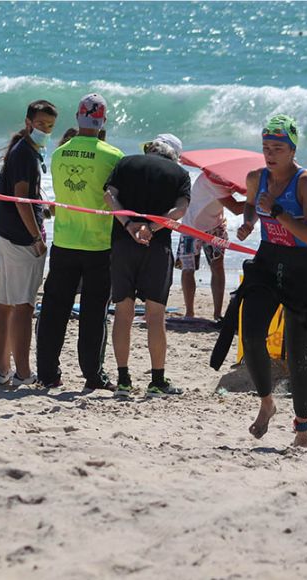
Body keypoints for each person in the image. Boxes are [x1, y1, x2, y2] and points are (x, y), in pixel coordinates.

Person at [224, 114, 307, 448]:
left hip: (299, 267)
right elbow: (252, 207)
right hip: (267, 261)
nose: (270, 153)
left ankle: (302, 430)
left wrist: (280, 213)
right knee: (250, 334)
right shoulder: (256, 177)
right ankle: (267, 401)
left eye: (278, 147)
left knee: (297, 353)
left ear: (292, 149)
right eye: (266, 147)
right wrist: (249, 223)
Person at [36, 93, 124, 391]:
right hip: (98, 244)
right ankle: (92, 374)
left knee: (54, 310)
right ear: (103, 121)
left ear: (78, 117)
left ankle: (47, 373)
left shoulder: (60, 153)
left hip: (65, 240)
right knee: (93, 313)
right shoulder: (114, 156)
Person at [104, 133, 191, 397]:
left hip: (123, 242)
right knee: (155, 316)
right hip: (156, 246)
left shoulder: (126, 163)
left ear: (149, 149)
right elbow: (179, 211)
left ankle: (123, 380)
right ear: (173, 155)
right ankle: (157, 381)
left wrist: (130, 225)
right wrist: (151, 228)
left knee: (123, 313)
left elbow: (110, 197)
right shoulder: (179, 174)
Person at [0, 100, 58, 387]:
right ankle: (22, 371)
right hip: (19, 237)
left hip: (7, 232)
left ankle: (1, 369)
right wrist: (36, 238)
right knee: (23, 305)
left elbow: (26, 198)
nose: (45, 130)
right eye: (41, 124)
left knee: (6, 302)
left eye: (50, 126)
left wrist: (45, 209)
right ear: (28, 122)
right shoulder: (25, 154)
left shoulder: (28, 151)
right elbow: (19, 199)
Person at [176, 173, 245, 321]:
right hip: (191, 227)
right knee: (188, 269)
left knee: (217, 266)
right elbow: (237, 208)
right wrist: (264, 201)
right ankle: (189, 313)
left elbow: (243, 191)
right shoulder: (211, 180)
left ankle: (217, 314)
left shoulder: (226, 178)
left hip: (215, 226)